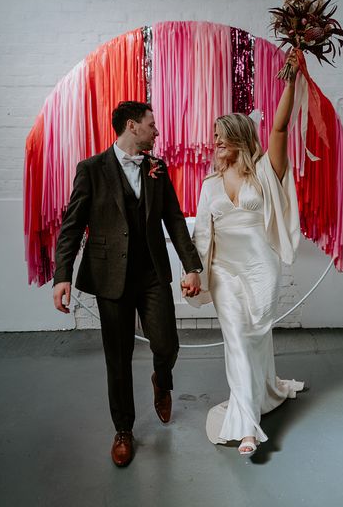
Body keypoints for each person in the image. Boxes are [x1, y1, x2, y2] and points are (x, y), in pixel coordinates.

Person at [53, 100, 202, 467]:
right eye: (152, 124)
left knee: (166, 343)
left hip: (152, 273)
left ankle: (161, 378)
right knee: (117, 358)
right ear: (132, 126)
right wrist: (62, 276)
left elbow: (174, 218)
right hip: (109, 277)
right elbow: (72, 226)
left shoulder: (157, 167)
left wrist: (191, 266)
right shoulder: (91, 169)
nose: (156, 130)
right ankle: (123, 430)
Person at [184, 51, 304, 456]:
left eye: (221, 133)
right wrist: (195, 274)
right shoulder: (209, 186)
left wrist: (291, 80)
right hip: (224, 272)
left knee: (255, 337)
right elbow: (202, 235)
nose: (215, 139)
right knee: (235, 338)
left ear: (238, 135)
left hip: (261, 269)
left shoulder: (266, 171)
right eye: (214, 134)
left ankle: (265, 390)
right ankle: (247, 427)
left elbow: (282, 127)